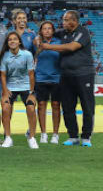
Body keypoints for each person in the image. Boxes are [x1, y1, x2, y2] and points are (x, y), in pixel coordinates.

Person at [36, 10, 94, 147]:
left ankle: (86, 137)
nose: (63, 22)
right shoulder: (63, 33)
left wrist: (48, 46)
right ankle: (73, 136)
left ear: (73, 21)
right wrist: (38, 38)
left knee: (87, 106)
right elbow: (47, 33)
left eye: (65, 20)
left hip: (83, 74)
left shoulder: (83, 32)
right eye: (63, 20)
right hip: (66, 75)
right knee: (67, 106)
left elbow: (71, 47)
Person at [0, 32, 38, 149]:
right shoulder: (4, 56)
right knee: (5, 108)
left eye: (15, 39)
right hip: (11, 87)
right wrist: (5, 91)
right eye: (10, 40)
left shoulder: (27, 55)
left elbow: (31, 74)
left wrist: (32, 92)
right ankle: (8, 138)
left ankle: (31, 137)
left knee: (31, 108)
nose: (12, 41)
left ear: (19, 42)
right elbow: (3, 75)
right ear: (7, 43)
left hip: (26, 87)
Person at [34, 21, 61, 145]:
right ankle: (43, 134)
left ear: (53, 30)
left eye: (49, 28)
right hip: (40, 78)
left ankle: (55, 134)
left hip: (57, 78)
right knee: (41, 106)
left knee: (56, 105)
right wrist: (38, 45)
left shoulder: (59, 42)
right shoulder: (36, 43)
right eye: (44, 28)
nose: (47, 30)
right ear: (41, 31)